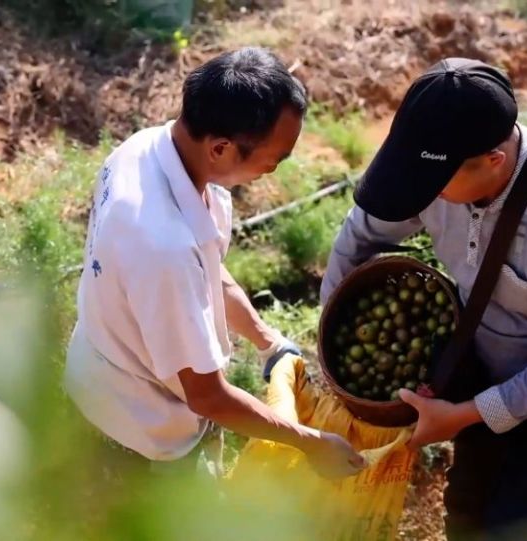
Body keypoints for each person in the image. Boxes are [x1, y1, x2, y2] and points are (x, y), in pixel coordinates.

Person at [321, 58, 527, 540]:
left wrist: (464, 416)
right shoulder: (435, 168)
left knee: (508, 531)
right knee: (466, 519)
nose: (420, 195)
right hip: (492, 371)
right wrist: (330, 322)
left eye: (431, 185)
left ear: (493, 160)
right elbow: (363, 231)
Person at [65, 47, 366, 483]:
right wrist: (310, 442)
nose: (274, 169)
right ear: (221, 148)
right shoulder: (163, 247)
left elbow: (208, 273)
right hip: (137, 435)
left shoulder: (149, 149)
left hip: (111, 379)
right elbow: (208, 397)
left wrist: (267, 342)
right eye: (274, 158)